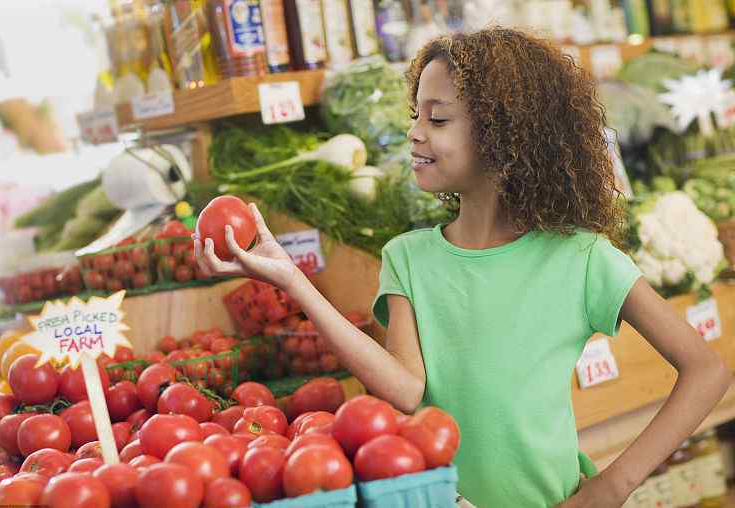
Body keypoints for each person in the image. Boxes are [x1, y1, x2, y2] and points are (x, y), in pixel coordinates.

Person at [194, 28, 731, 507]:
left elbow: (706, 371)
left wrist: (615, 484)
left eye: (439, 118)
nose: (415, 133)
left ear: (506, 136)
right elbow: (404, 390)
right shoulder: (406, 257)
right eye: (415, 115)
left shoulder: (581, 258)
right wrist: (292, 280)